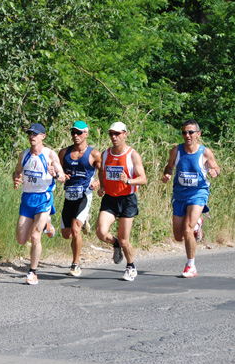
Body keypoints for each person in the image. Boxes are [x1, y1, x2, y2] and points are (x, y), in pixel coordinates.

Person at [161, 119, 220, 278]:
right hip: (180, 194)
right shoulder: (176, 151)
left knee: (187, 228)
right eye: (184, 132)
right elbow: (169, 166)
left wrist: (215, 172)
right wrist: (167, 173)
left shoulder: (205, 152)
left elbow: (216, 167)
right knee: (178, 236)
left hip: (198, 193)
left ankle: (191, 266)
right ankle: (198, 223)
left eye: (191, 132)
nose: (187, 135)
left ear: (198, 134)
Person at [13, 123, 66, 285]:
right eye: (29, 134)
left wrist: (55, 174)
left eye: (35, 134)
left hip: (44, 198)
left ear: (43, 136)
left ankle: (32, 272)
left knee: (35, 236)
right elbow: (17, 171)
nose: (31, 137)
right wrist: (16, 178)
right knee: (21, 239)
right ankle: (47, 226)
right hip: (27, 199)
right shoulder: (24, 155)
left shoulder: (50, 155)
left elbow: (63, 178)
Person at [96, 122, 147, 281]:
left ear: (125, 134)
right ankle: (115, 243)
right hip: (110, 198)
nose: (113, 137)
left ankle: (131, 266)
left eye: (117, 134)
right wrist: (102, 186)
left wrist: (129, 181)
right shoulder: (105, 154)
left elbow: (143, 179)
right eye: (111, 134)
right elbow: (102, 171)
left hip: (127, 199)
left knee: (125, 239)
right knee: (101, 232)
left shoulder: (132, 155)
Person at [57, 121, 102, 277]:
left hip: (85, 194)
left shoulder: (94, 154)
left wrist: (98, 183)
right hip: (69, 195)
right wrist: (61, 176)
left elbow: (104, 172)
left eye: (79, 133)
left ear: (86, 134)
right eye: (73, 133)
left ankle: (75, 264)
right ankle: (84, 222)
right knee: (66, 234)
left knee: (75, 229)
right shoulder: (64, 152)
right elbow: (58, 171)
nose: (75, 136)